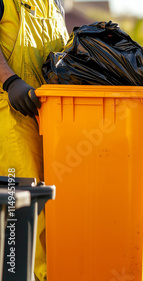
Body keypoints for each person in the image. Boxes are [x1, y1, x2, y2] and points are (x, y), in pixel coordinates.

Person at [0, 0, 68, 280]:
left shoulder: (55, 4)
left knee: (55, 206)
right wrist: (10, 81)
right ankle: (18, 275)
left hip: (55, 118)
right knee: (20, 203)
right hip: (10, 115)